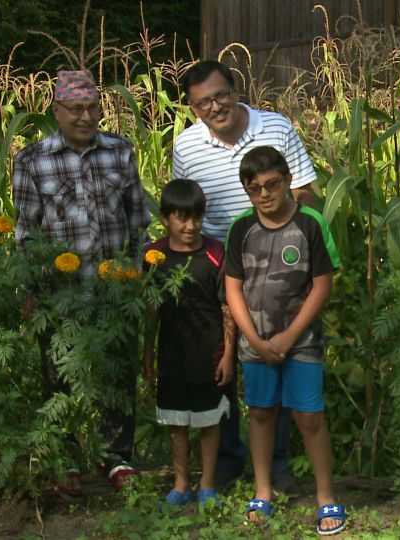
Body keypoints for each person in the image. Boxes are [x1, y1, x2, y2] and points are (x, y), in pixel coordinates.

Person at [172, 60, 317, 489]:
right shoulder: (186, 146)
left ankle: (276, 462)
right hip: (219, 265)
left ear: (236, 89)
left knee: (275, 357)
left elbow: (304, 193)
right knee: (223, 359)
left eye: (220, 95)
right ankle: (230, 457)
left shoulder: (276, 127)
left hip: (278, 264)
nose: (214, 107)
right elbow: (188, 206)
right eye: (202, 103)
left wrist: (299, 255)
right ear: (193, 108)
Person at [12, 70, 151, 493]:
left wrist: (139, 274)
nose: (86, 116)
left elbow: (137, 220)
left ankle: (117, 457)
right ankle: (67, 458)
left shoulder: (120, 152)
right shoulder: (32, 160)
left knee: (116, 372)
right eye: (76, 109)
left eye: (92, 107)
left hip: (114, 286)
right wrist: (30, 288)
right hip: (61, 291)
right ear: (57, 110)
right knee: (59, 373)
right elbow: (26, 231)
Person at [224, 146, 347, 536]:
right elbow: (233, 288)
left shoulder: (310, 224)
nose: (264, 193)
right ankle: (263, 492)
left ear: (288, 181)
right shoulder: (241, 229)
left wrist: (290, 336)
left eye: (271, 184)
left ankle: (326, 496)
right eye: (254, 187)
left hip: (303, 342)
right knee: (260, 413)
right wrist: (255, 341)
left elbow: (323, 284)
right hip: (254, 343)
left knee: (309, 416)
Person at [141, 179, 236, 508]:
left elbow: (228, 309)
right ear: (165, 219)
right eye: (181, 218)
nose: (190, 226)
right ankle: (181, 483)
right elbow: (150, 311)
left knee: (209, 422)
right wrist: (148, 354)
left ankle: (207, 484)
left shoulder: (215, 253)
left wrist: (228, 354)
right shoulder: (154, 256)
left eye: (196, 217)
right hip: (171, 353)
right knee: (176, 422)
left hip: (209, 353)